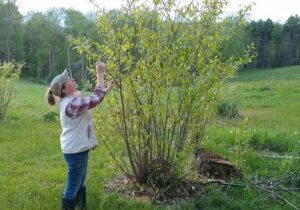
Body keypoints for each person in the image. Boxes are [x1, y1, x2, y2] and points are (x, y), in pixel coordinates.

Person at [46, 62, 116, 210]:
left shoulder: (71, 101)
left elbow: (93, 100)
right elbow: (94, 100)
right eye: (69, 79)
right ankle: (70, 205)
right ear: (65, 89)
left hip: (76, 149)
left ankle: (80, 206)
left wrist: (105, 90)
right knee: (73, 186)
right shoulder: (71, 103)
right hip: (75, 151)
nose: (72, 78)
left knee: (79, 181)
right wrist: (100, 73)